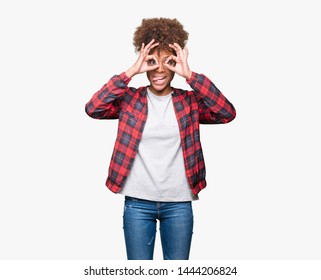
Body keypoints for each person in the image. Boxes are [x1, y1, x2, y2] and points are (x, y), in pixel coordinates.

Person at [85, 18, 236, 260]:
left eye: (168, 61)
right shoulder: (129, 99)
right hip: (137, 202)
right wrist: (130, 72)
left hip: (179, 202)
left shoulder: (189, 102)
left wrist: (191, 76)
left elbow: (226, 113)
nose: (160, 70)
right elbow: (93, 108)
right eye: (152, 62)